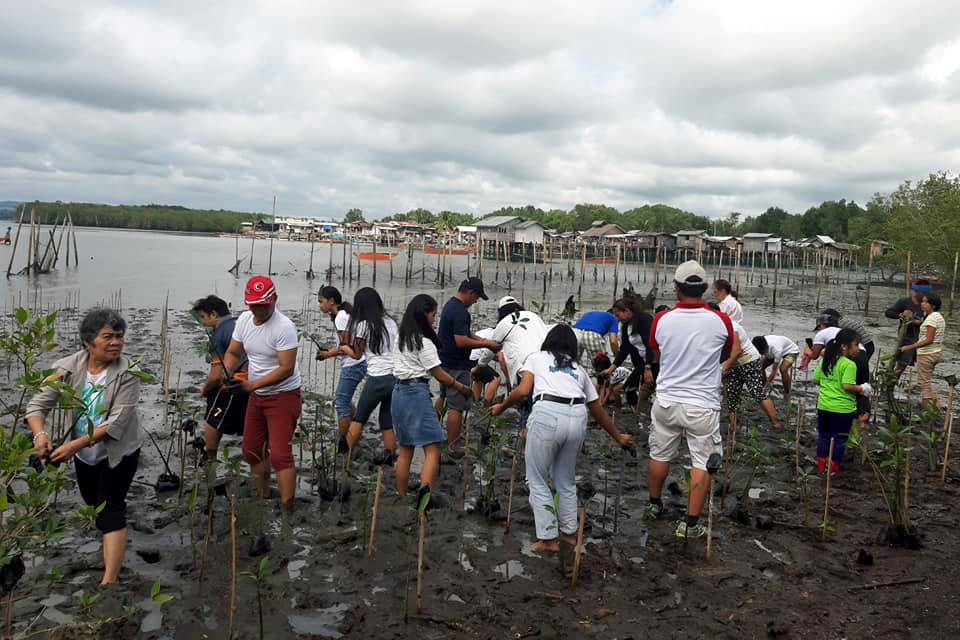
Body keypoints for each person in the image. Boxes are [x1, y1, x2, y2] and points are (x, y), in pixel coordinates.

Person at [26, 309, 142, 585]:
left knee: (110, 509)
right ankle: (110, 540)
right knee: (93, 503)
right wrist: (40, 435)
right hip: (85, 454)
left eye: (119, 336)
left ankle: (109, 581)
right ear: (87, 342)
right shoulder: (65, 367)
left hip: (118, 452)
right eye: (108, 337)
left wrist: (72, 446)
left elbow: (117, 423)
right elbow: (36, 405)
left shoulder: (129, 373)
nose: (116, 342)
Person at [491, 325, 631, 552]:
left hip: (547, 412)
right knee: (565, 480)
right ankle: (569, 534)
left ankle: (547, 539)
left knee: (536, 478)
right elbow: (596, 409)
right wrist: (618, 437)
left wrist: (502, 405)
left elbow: (523, 390)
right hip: (578, 417)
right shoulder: (579, 369)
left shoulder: (536, 358)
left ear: (548, 341)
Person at [647, 261, 737, 539]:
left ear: (676, 290)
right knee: (702, 462)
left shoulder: (662, 320)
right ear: (706, 289)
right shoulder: (721, 320)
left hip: (666, 401)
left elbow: (656, 351)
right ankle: (690, 524)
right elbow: (725, 352)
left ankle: (654, 505)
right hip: (702, 404)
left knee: (659, 454)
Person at [223, 276, 302, 510]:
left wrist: (250, 386)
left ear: (274, 299)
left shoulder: (284, 327)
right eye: (253, 305)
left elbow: (286, 368)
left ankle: (288, 506)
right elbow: (233, 353)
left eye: (263, 304)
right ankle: (264, 496)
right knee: (251, 450)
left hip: (283, 395)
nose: (258, 309)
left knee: (279, 455)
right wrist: (227, 373)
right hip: (257, 395)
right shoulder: (245, 321)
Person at [392, 294, 474, 499]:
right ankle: (424, 498)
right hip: (415, 394)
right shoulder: (424, 342)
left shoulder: (400, 338)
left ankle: (401, 496)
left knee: (405, 449)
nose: (434, 319)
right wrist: (461, 387)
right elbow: (438, 374)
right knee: (433, 448)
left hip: (398, 392)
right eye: (433, 314)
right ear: (423, 314)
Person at [436, 278, 500, 452]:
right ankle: (452, 445)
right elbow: (461, 340)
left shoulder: (451, 305)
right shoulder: (461, 311)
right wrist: (487, 345)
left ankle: (435, 433)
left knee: (443, 396)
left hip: (444, 361)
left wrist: (483, 339)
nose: (476, 301)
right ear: (470, 293)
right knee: (456, 406)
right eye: (476, 297)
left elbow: (465, 332)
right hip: (456, 364)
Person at [338, 287, 399, 464]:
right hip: (394, 377)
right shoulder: (390, 322)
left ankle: (345, 457)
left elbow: (357, 354)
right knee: (386, 419)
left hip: (377, 378)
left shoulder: (363, 325)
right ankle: (389, 454)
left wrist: (343, 348)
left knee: (359, 418)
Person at [193, 295, 249, 461]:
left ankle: (210, 457)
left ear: (214, 315)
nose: (202, 323)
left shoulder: (217, 334)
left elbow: (216, 375)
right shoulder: (240, 324)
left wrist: (205, 389)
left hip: (237, 383)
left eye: (203, 317)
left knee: (212, 421)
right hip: (256, 382)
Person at [813, 329, 871, 474]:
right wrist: (862, 389)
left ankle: (821, 465)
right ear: (844, 346)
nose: (858, 348)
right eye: (856, 345)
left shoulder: (825, 360)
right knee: (840, 439)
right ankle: (833, 468)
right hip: (842, 409)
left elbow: (816, 380)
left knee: (823, 436)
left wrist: (829, 386)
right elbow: (847, 386)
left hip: (824, 406)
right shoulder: (849, 364)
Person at [316, 286, 367, 445]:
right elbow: (346, 346)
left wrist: (327, 354)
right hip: (357, 362)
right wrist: (330, 352)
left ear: (331, 301)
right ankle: (355, 427)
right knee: (344, 398)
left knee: (342, 402)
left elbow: (348, 347)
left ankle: (344, 441)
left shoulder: (340, 317)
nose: (320, 305)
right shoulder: (344, 315)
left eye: (321, 301)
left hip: (354, 364)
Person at [717, 313, 782, 430]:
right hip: (733, 365)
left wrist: (724, 368)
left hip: (749, 362)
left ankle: (776, 423)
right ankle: (733, 428)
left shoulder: (731, 326)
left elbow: (737, 350)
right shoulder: (713, 328)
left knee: (757, 392)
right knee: (731, 397)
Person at [479, 296, 548, 392]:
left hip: (525, 365)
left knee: (526, 394)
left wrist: (480, 365)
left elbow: (491, 350)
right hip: (545, 361)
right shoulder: (534, 316)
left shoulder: (503, 323)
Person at [605, 297, 656, 407]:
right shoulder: (626, 326)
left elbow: (650, 344)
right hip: (642, 363)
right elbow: (624, 350)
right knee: (629, 389)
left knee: (655, 388)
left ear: (627, 311)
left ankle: (644, 411)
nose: (617, 319)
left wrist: (648, 368)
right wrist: (611, 369)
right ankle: (637, 412)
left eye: (618, 315)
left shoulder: (644, 320)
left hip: (655, 361)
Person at [899, 293, 945, 410]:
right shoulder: (937, 316)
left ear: (933, 305)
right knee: (926, 383)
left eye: (926, 302)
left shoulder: (931, 318)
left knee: (924, 384)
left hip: (927, 354)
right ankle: (938, 408)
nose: (922, 304)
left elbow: (928, 340)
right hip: (935, 352)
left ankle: (927, 412)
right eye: (922, 301)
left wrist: (908, 347)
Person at [885, 280, 929, 380]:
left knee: (918, 367)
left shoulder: (928, 304)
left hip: (922, 340)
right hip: (905, 338)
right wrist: (901, 315)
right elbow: (888, 313)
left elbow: (931, 321)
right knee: (900, 363)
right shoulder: (904, 302)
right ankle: (890, 384)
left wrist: (918, 322)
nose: (926, 297)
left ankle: (891, 383)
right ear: (917, 292)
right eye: (924, 294)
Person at [469, 326, 500, 405]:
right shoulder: (497, 336)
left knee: (478, 379)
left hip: (468, 356)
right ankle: (486, 405)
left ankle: (475, 403)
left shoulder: (488, 331)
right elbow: (486, 354)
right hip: (474, 359)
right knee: (496, 378)